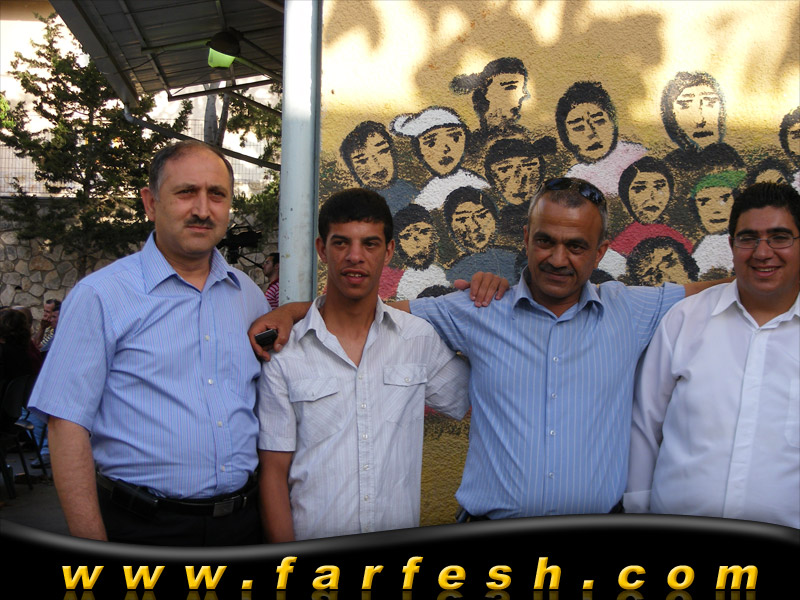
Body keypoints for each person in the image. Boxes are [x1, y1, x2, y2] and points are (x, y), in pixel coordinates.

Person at [250, 177, 728, 520]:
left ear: (600, 252)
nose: (557, 258)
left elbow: (727, 290)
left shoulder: (633, 309)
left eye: (576, 246)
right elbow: (364, 305)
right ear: (526, 238)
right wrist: (291, 312)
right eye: (545, 241)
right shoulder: (476, 308)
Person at [27, 140, 269, 546]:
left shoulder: (248, 296)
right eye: (186, 192)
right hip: (141, 529)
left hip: (242, 526)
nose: (203, 209)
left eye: (217, 194)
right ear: (150, 203)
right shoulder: (101, 296)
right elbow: (65, 426)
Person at [257, 188, 469, 541]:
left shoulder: (417, 339)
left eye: (370, 244)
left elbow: (479, 396)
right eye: (341, 243)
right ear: (322, 249)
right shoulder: (285, 353)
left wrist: (490, 311)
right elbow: (273, 473)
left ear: (388, 251)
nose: (355, 256)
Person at [625, 182, 800, 528]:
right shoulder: (685, 320)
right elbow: (644, 426)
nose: (763, 252)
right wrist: (638, 514)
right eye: (748, 238)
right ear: (732, 245)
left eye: (779, 237)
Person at [598, 157, 693, 279]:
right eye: (640, 189)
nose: (651, 196)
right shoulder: (617, 247)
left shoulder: (680, 239)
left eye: (659, 187)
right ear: (626, 197)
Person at [556, 81, 647, 198]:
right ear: (566, 137)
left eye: (599, 121)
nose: (590, 133)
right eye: (578, 127)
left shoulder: (638, 157)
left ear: (612, 122)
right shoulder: (574, 178)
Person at [391, 106, 489, 211]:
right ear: (418, 151)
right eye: (431, 143)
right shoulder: (426, 196)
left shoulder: (478, 184)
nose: (445, 149)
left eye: (455, 138)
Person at [339, 120, 418, 214]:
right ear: (352, 168)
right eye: (362, 161)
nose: (377, 167)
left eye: (383, 151)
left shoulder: (409, 192)